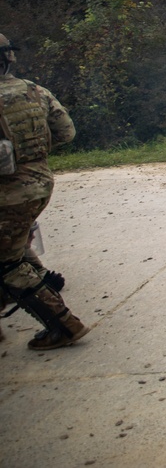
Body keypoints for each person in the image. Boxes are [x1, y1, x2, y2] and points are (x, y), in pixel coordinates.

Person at [0, 33, 89, 350]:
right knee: (12, 245)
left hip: (7, 192)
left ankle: (62, 326)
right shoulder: (35, 91)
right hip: (39, 182)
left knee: (7, 264)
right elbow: (66, 133)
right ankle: (44, 283)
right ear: (9, 58)